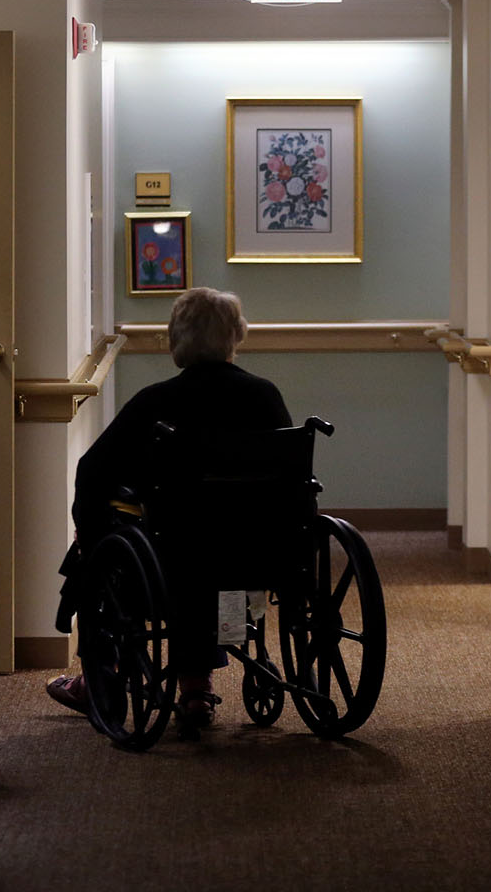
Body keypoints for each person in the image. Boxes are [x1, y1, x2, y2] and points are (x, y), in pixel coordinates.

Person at [47, 287, 290, 733]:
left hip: (174, 555)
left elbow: (92, 471)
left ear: (175, 339)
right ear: (235, 336)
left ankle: (100, 680)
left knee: (104, 556)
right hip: (256, 557)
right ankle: (194, 687)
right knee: (210, 562)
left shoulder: (156, 402)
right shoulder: (264, 396)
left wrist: (90, 533)